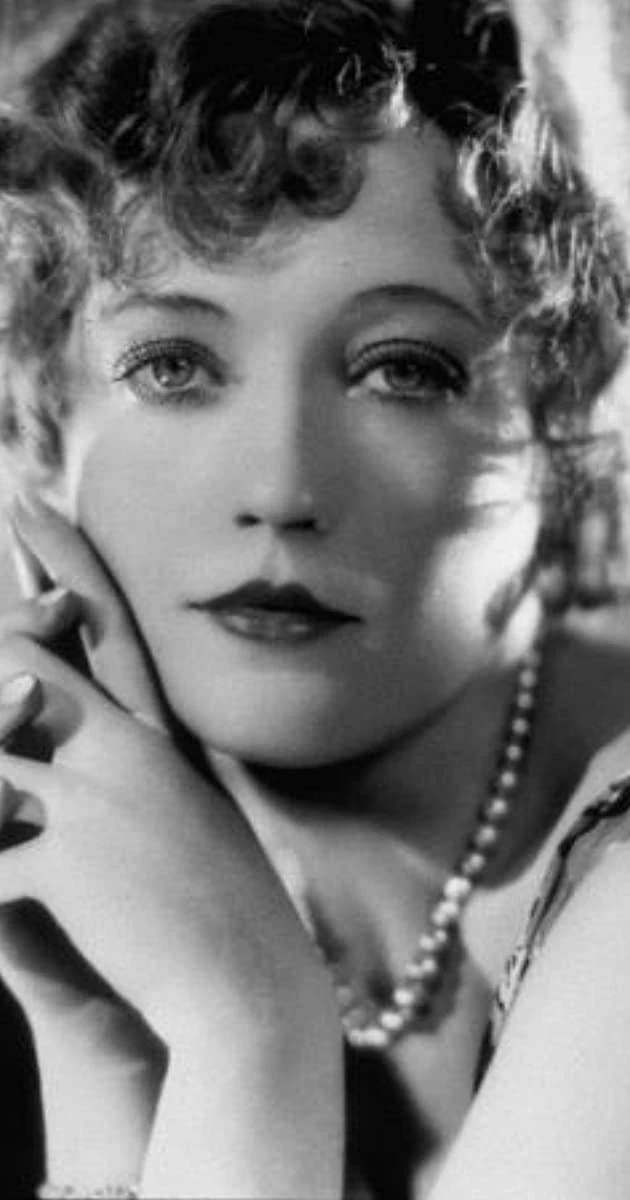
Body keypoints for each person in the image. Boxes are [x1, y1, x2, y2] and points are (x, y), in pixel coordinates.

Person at [0, 1, 629, 1196]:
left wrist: (250, 1032)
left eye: (403, 370)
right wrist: (108, 1050)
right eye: (172, 366)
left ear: (564, 428)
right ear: (37, 430)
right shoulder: (131, 890)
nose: (280, 488)